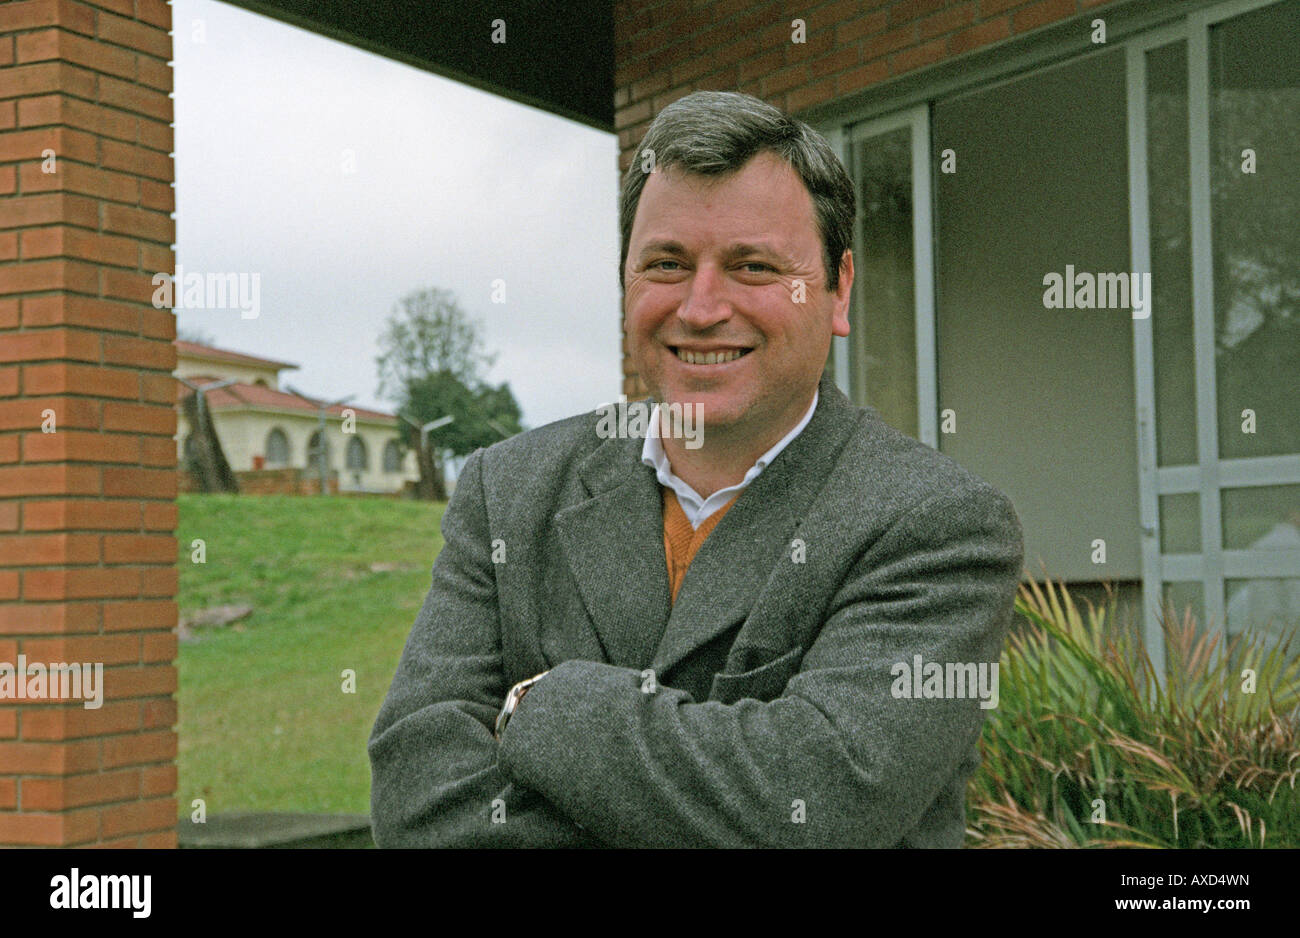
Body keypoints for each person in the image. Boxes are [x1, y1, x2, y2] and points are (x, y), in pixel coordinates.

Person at [368, 90, 1025, 847]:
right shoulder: (506, 492)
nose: (703, 306)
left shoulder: (937, 523)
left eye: (753, 266)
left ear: (839, 289)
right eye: (667, 264)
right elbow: (417, 805)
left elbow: (818, 807)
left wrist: (543, 707)